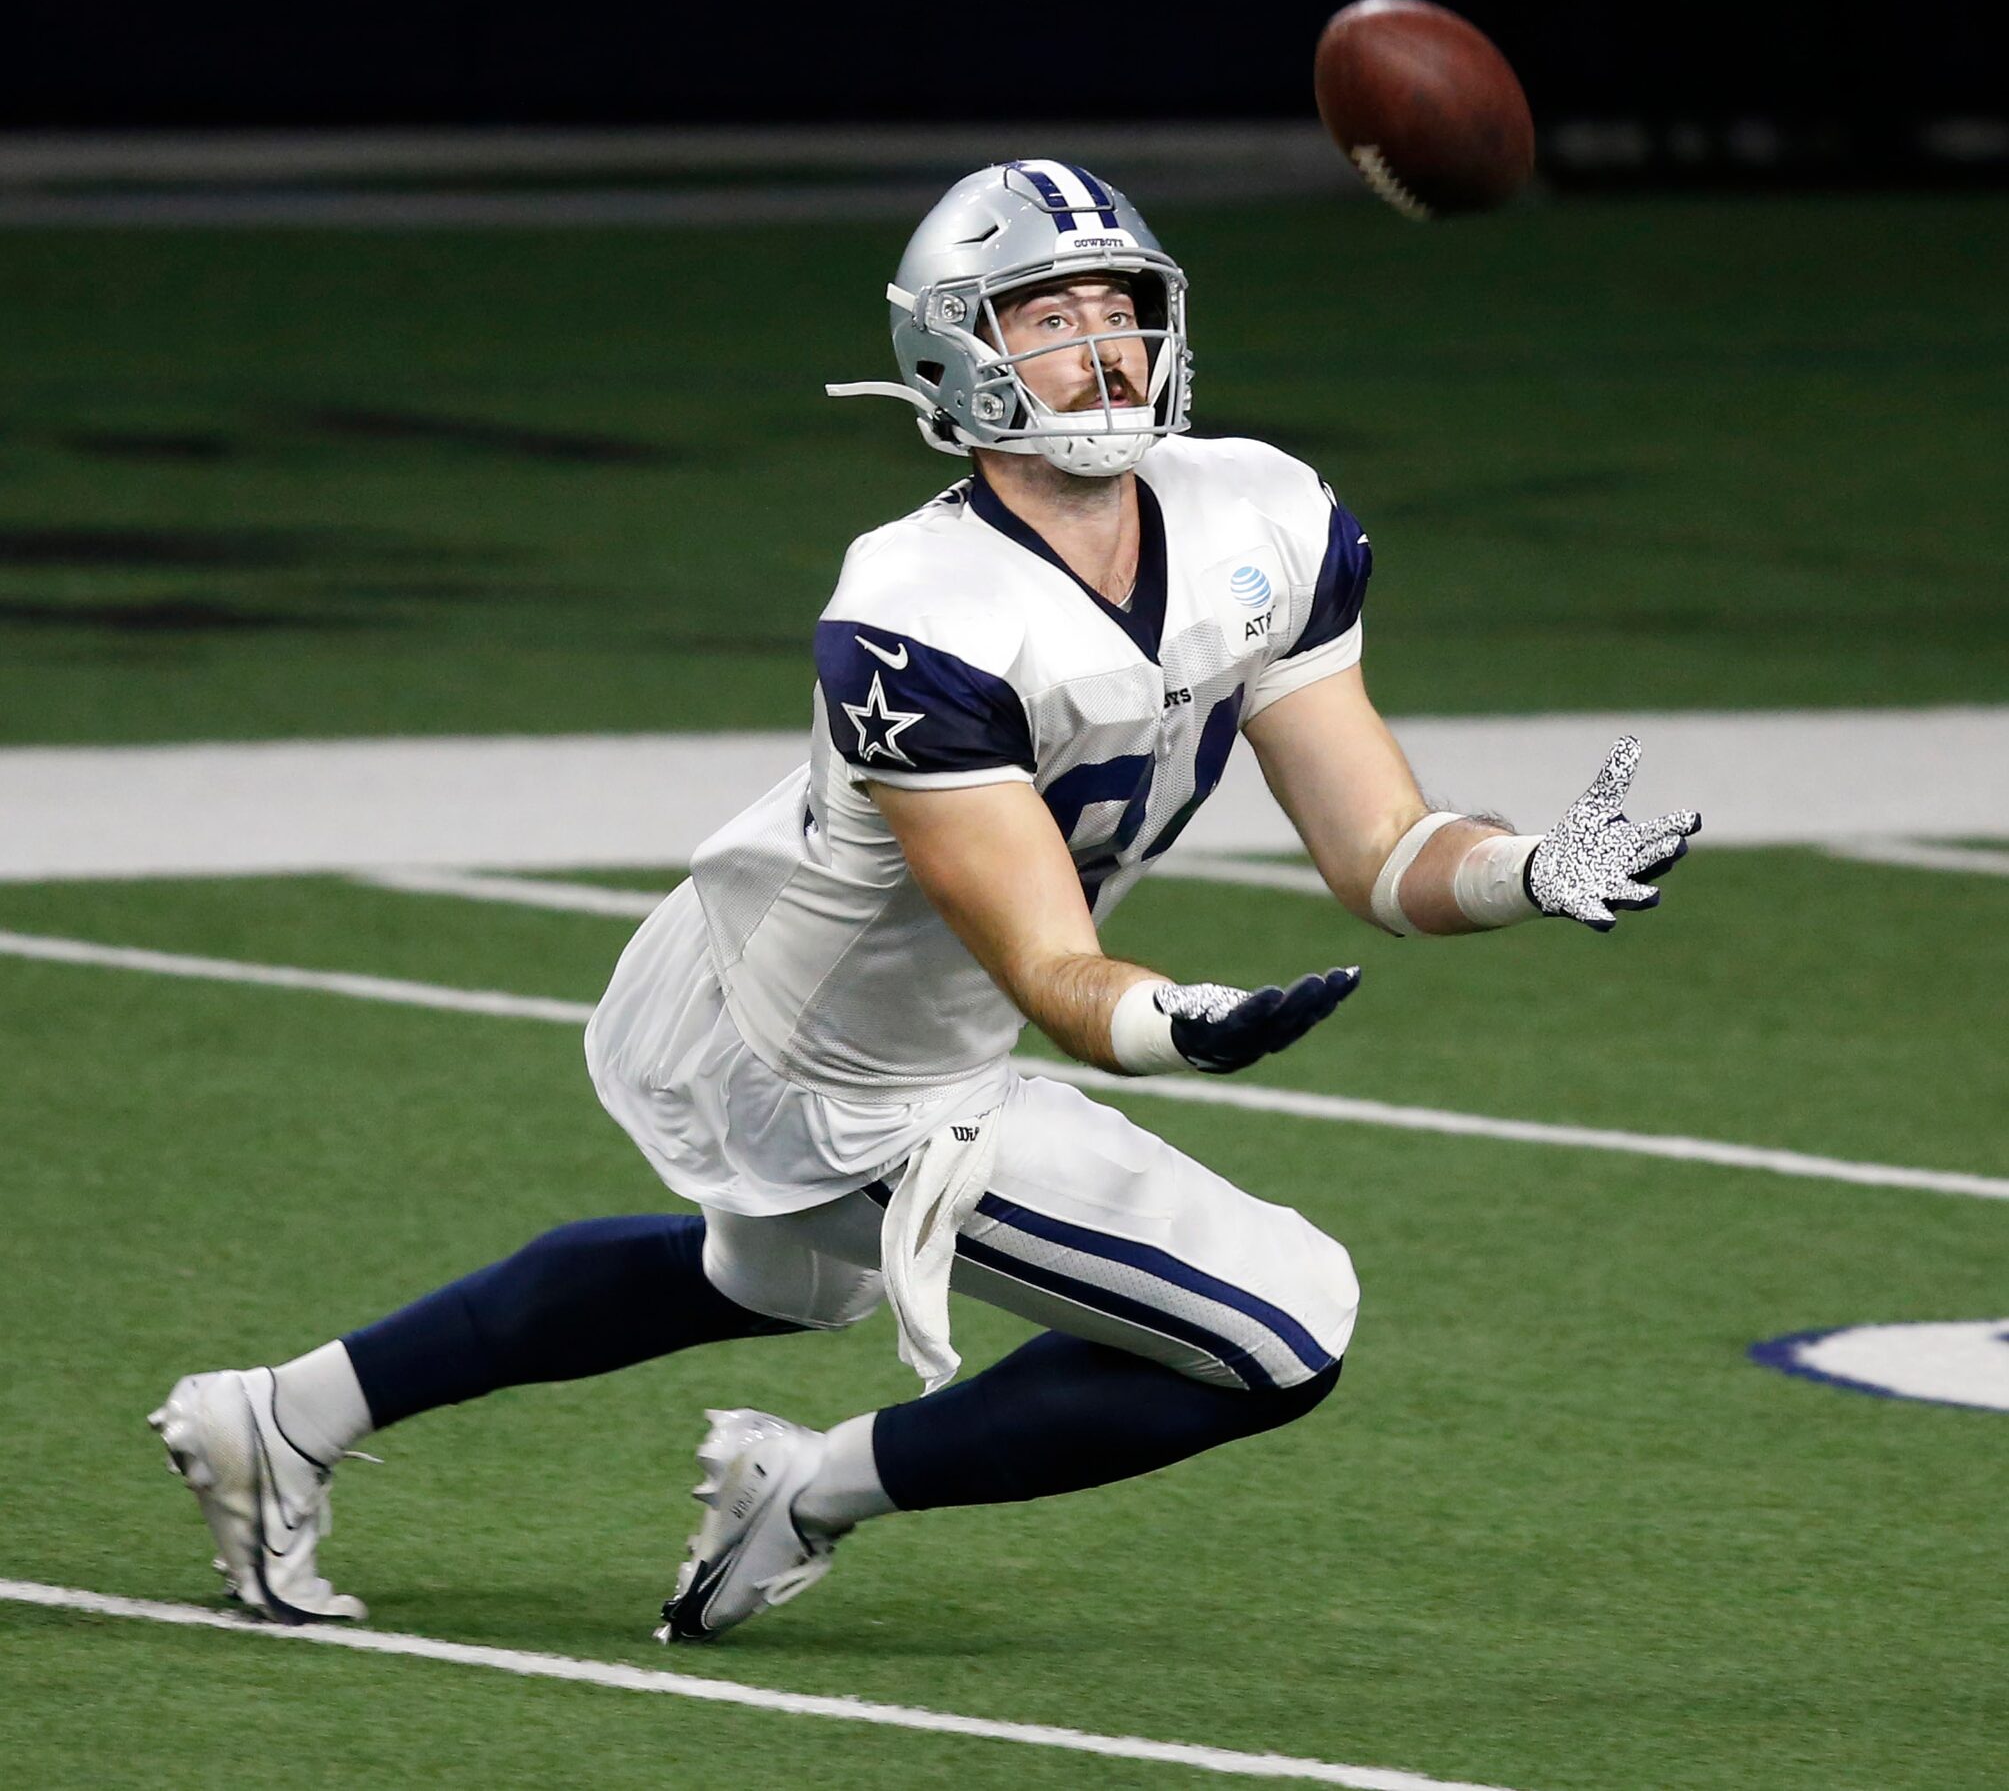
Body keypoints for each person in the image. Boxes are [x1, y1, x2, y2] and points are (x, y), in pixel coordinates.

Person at [150, 160, 1700, 1640]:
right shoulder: (917, 606)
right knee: (1283, 1324)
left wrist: (1515, 872)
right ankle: (806, 1487)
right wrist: (1178, 1026)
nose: (1099, 348)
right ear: (956, 353)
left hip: (856, 988)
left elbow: (1380, 848)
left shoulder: (1262, 515)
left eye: (1117, 305)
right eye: (1046, 314)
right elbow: (1047, 963)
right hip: (827, 1056)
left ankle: (282, 1413)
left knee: (754, 1276)